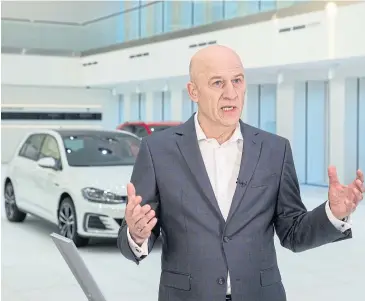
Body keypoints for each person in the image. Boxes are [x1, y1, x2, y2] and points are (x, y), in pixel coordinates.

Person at [117, 45, 364, 301]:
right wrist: (135, 233)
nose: (231, 93)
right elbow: (133, 237)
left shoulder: (274, 149)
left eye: (237, 80)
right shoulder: (158, 150)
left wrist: (334, 213)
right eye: (217, 83)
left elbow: (293, 233)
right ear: (194, 91)